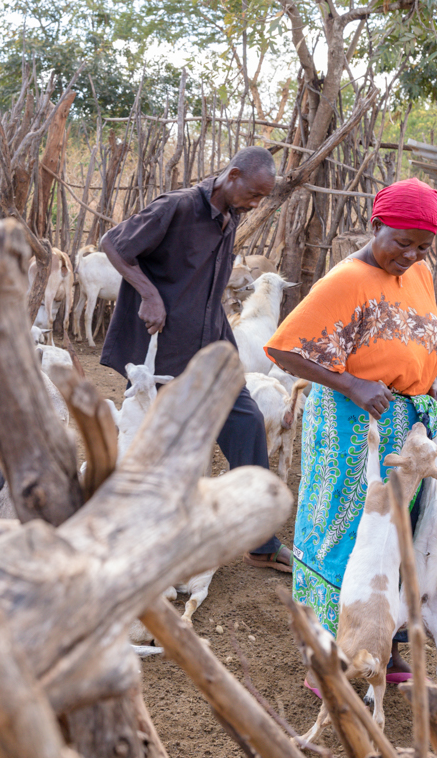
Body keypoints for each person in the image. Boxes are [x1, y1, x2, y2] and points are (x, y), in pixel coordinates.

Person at [263, 177, 437, 682]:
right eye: (401, 242)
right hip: (352, 428)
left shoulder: (419, 273)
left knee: (394, 538)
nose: (410, 254)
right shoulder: (345, 280)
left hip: (404, 426)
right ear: (375, 226)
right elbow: (284, 349)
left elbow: (417, 337)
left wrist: (427, 385)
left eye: (422, 246)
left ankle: (380, 646)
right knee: (342, 535)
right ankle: (328, 656)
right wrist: (350, 384)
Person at [99, 146, 293, 571]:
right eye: (255, 194)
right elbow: (112, 244)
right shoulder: (178, 207)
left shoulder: (230, 216)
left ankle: (259, 541)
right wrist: (149, 294)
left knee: (246, 426)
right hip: (162, 350)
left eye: (263, 198)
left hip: (211, 348)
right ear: (234, 174)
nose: (257, 204)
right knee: (157, 445)